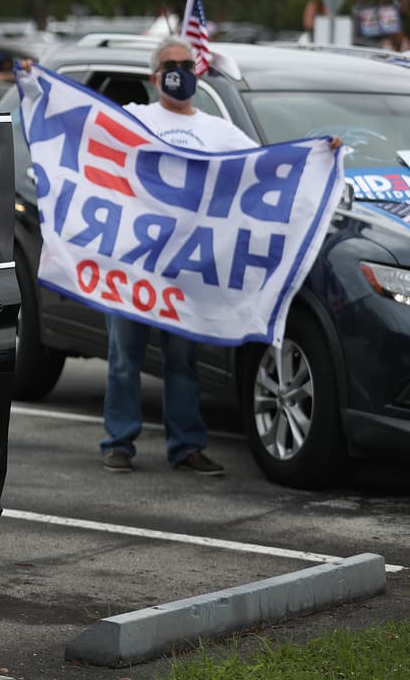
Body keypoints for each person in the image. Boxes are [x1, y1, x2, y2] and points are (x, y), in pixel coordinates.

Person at [22, 38, 341, 477]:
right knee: (123, 357)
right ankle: (119, 442)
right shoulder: (134, 119)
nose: (179, 71)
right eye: (171, 65)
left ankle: (187, 447)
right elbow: (82, 127)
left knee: (182, 362)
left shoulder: (219, 132)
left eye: (187, 64)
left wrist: (321, 154)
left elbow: (263, 168)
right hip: (133, 267)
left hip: (186, 273)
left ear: (198, 71)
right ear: (155, 77)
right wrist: (37, 84)